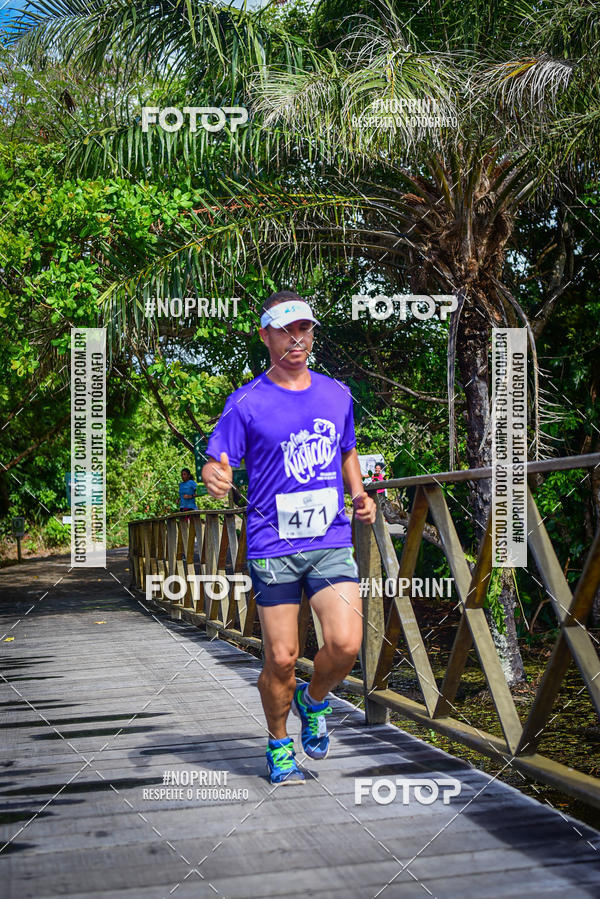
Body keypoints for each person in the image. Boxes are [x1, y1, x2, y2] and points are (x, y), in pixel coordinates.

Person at [202, 290, 377, 785]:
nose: (296, 338)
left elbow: (347, 451)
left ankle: (314, 699)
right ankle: (280, 744)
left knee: (345, 644)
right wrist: (214, 477)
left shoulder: (336, 394)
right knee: (280, 657)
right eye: (285, 329)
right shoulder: (246, 403)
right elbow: (219, 464)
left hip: (329, 538)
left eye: (304, 329)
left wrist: (359, 494)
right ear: (266, 337)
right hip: (273, 543)